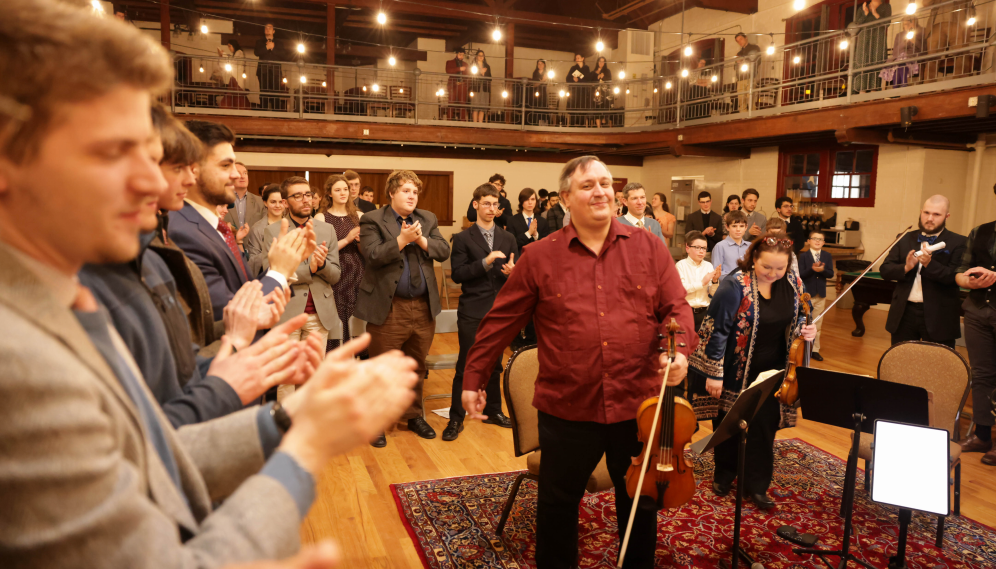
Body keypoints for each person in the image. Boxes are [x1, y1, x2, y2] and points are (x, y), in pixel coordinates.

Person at [0, 1, 419, 565]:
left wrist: (292, 416)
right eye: (113, 151)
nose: (154, 180)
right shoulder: (17, 363)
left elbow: (149, 463)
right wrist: (306, 448)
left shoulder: (58, 295)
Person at [461, 156, 696, 569]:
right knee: (557, 504)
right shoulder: (539, 256)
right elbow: (499, 323)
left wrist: (678, 350)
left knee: (639, 500)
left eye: (606, 183)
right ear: (567, 197)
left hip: (637, 404)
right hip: (568, 406)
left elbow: (675, 308)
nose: (601, 191)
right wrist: (473, 378)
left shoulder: (648, 246)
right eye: (588, 185)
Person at [689, 234, 817, 510]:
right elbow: (716, 330)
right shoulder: (734, 286)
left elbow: (802, 318)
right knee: (729, 423)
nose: (773, 273)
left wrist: (809, 330)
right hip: (735, 369)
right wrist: (714, 372)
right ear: (753, 259)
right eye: (766, 267)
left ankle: (757, 486)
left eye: (780, 268)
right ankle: (724, 473)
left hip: (776, 371)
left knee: (764, 428)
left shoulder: (794, 284)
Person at [168, 120, 307, 320]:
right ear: (192, 170)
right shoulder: (181, 232)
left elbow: (245, 289)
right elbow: (229, 312)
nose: (236, 175)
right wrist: (278, 271)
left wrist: (286, 262)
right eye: (225, 165)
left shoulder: (217, 227)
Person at [355, 170, 451, 447]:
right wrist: (401, 240)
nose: (412, 196)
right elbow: (372, 255)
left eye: (415, 192)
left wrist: (420, 240)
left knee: (415, 366)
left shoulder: (428, 218)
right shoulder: (373, 219)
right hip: (389, 308)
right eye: (406, 190)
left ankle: (412, 416)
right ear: (392, 193)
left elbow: (443, 251)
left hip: (422, 307)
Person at [443, 184, 518, 442]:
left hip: (499, 311)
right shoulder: (463, 238)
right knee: (466, 366)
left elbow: (515, 271)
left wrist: (511, 272)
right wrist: (485, 263)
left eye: (495, 205)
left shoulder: (507, 238)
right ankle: (455, 419)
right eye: (486, 203)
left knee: (496, 365)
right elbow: (459, 274)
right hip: (473, 310)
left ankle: (495, 411)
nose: (491, 209)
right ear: (475, 205)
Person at [262, 177, 341, 401]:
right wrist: (311, 269)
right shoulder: (274, 232)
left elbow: (335, 275)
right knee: (287, 378)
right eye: (297, 196)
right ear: (286, 202)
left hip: (319, 313)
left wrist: (323, 265)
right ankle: (285, 428)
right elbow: (276, 273)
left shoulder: (327, 230)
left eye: (308, 194)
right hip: (287, 312)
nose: (305, 200)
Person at [880, 196, 966, 348]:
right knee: (901, 362)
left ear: (947, 216)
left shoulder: (959, 242)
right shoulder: (905, 238)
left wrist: (929, 264)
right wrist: (906, 267)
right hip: (904, 313)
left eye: (937, 214)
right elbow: (885, 270)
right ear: (921, 212)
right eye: (926, 213)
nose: (930, 218)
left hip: (939, 315)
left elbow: (954, 277)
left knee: (936, 366)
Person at [955, 186, 996, 464]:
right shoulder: (980, 231)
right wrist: (969, 280)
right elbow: (960, 272)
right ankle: (982, 434)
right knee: (981, 375)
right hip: (977, 310)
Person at [321, 174, 365, 353]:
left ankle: (358, 360)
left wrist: (362, 242)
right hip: (336, 275)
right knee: (338, 318)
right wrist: (347, 239)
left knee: (357, 319)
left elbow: (365, 251)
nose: (343, 193)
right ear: (329, 193)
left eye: (345, 189)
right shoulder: (321, 218)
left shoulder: (360, 215)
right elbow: (324, 253)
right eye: (338, 190)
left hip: (358, 273)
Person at [797, 230, 835, 361]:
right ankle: (801, 347)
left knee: (817, 324)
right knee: (805, 322)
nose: (817, 241)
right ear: (808, 241)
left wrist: (822, 270)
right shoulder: (803, 256)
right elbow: (800, 275)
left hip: (821, 294)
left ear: (824, 242)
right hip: (807, 295)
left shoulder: (827, 255)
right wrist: (812, 269)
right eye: (814, 238)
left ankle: (815, 349)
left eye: (820, 239)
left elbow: (830, 274)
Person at [677, 231, 720, 331]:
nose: (701, 251)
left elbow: (713, 293)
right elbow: (681, 290)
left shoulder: (708, 265)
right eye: (697, 247)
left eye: (704, 248)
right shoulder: (681, 265)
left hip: (703, 311)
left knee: (701, 344)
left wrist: (714, 281)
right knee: (685, 343)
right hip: (685, 311)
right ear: (687, 248)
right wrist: (701, 283)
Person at [853, 0, 892, 93]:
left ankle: (873, 93)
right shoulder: (862, 8)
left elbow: (887, 23)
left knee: (876, 62)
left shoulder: (886, 7)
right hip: (864, 38)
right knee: (862, 62)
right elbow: (856, 26)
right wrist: (865, 13)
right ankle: (861, 92)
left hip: (878, 38)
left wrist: (875, 12)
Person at [247, 183, 286, 276]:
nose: (277, 205)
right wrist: (272, 252)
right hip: (268, 276)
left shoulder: (292, 224)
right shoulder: (257, 229)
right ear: (265, 202)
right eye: (273, 202)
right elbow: (252, 261)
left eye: (281, 202)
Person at [617, 182, 667, 246]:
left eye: (642, 197)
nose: (640, 202)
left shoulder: (654, 224)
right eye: (634, 198)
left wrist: (652, 241)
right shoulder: (617, 224)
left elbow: (663, 252)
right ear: (625, 201)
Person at [881, 17, 925, 87]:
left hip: (913, 57)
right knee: (899, 64)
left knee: (901, 64)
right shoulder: (899, 35)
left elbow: (923, 48)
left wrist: (914, 42)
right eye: (905, 24)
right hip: (899, 58)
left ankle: (897, 87)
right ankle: (902, 85)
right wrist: (904, 43)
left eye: (910, 23)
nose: (908, 26)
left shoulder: (921, 32)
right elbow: (895, 51)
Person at [224, 161, 265, 233]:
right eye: (238, 173)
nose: (242, 176)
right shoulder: (221, 200)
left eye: (245, 173)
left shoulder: (260, 202)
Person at [255, 23, 287, 110]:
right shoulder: (259, 42)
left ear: (273, 31)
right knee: (263, 93)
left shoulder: (279, 43)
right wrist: (266, 47)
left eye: (269, 28)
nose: (267, 29)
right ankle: (263, 113)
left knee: (276, 93)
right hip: (263, 71)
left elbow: (283, 55)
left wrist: (272, 48)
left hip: (275, 72)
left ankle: (276, 114)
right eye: (266, 28)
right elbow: (256, 52)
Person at [711, 210, 751, 280]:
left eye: (741, 226)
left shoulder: (750, 246)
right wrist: (737, 277)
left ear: (746, 227)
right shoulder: (720, 246)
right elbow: (716, 273)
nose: (738, 229)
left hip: (748, 287)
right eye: (734, 226)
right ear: (727, 227)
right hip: (728, 287)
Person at [734, 32, 761, 113]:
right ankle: (743, 118)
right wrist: (737, 62)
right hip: (740, 78)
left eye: (741, 39)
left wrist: (744, 61)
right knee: (741, 100)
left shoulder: (754, 47)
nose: (740, 42)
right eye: (737, 41)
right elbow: (736, 67)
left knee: (751, 98)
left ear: (746, 38)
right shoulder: (739, 53)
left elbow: (758, 60)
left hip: (750, 76)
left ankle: (752, 117)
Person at [566, 53, 591, 126]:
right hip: (574, 91)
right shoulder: (573, 68)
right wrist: (573, 79)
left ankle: (581, 125)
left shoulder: (586, 68)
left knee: (582, 108)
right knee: (573, 107)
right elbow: (567, 78)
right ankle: (572, 124)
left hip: (583, 91)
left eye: (578, 58)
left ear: (583, 58)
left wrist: (579, 80)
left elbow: (588, 79)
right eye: (576, 58)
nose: (577, 59)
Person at [445, 48, 470, 121]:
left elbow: (469, 75)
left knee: (463, 104)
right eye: (460, 54)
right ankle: (449, 120)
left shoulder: (465, 64)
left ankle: (462, 121)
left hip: (462, 85)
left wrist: (466, 85)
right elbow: (448, 71)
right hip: (453, 84)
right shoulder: (450, 62)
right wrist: (459, 69)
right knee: (451, 103)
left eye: (462, 55)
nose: (461, 56)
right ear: (456, 54)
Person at [469, 49, 492, 123]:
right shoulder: (473, 65)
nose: (481, 57)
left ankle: (480, 123)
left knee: (482, 106)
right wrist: (480, 73)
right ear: (476, 56)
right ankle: (475, 123)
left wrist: (483, 74)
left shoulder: (487, 66)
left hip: (484, 88)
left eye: (482, 55)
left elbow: (490, 78)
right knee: (475, 105)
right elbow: (471, 76)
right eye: (479, 55)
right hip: (476, 87)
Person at [591, 56, 613, 128]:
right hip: (597, 93)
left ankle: (608, 126)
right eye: (600, 61)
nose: (601, 63)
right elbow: (591, 81)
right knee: (597, 108)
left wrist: (603, 76)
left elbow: (609, 79)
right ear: (598, 62)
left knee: (606, 109)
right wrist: (598, 77)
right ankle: (598, 127)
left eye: (603, 61)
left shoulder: (607, 71)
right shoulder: (593, 72)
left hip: (605, 93)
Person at [530, 59, 550, 124]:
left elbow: (549, 83)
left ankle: (545, 123)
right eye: (538, 64)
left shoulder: (547, 73)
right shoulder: (535, 73)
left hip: (544, 92)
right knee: (536, 106)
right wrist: (542, 81)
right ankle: (536, 123)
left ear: (544, 65)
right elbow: (534, 84)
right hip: (536, 92)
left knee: (544, 106)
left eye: (541, 63)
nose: (540, 65)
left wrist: (544, 81)